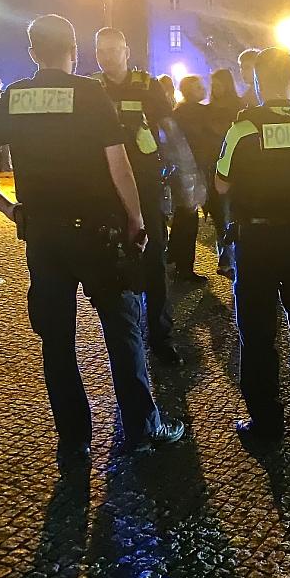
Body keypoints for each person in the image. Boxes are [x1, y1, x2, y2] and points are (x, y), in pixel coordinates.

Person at [0, 14, 184, 464]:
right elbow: (118, 165)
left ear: (33, 52)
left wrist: (9, 209)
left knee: (57, 341)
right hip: (99, 233)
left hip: (44, 236)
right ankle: (142, 427)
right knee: (122, 331)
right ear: (73, 51)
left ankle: (74, 440)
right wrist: (136, 219)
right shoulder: (90, 94)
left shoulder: (14, 97)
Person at [214, 47, 290, 444]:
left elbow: (221, 184)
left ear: (257, 81)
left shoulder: (244, 127)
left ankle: (266, 423)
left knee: (258, 336)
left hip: (257, 244)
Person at [92, 28, 181, 366]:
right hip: (104, 187)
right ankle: (124, 338)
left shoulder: (147, 86)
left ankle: (160, 336)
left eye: (113, 49)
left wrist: (180, 175)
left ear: (126, 51)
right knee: (109, 261)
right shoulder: (91, 88)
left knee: (153, 260)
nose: (107, 56)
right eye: (101, 50)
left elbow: (169, 131)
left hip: (145, 185)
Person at [166, 75, 217, 281]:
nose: (203, 90)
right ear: (188, 91)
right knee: (189, 221)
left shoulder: (178, 111)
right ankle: (185, 269)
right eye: (198, 87)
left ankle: (174, 255)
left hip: (180, 171)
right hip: (192, 171)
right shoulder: (197, 112)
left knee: (182, 217)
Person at [208, 68, 242, 278]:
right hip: (215, 168)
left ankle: (231, 258)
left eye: (218, 85)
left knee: (232, 214)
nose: (214, 89)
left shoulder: (237, 108)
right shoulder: (209, 109)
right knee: (222, 216)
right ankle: (226, 258)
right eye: (213, 85)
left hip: (234, 169)